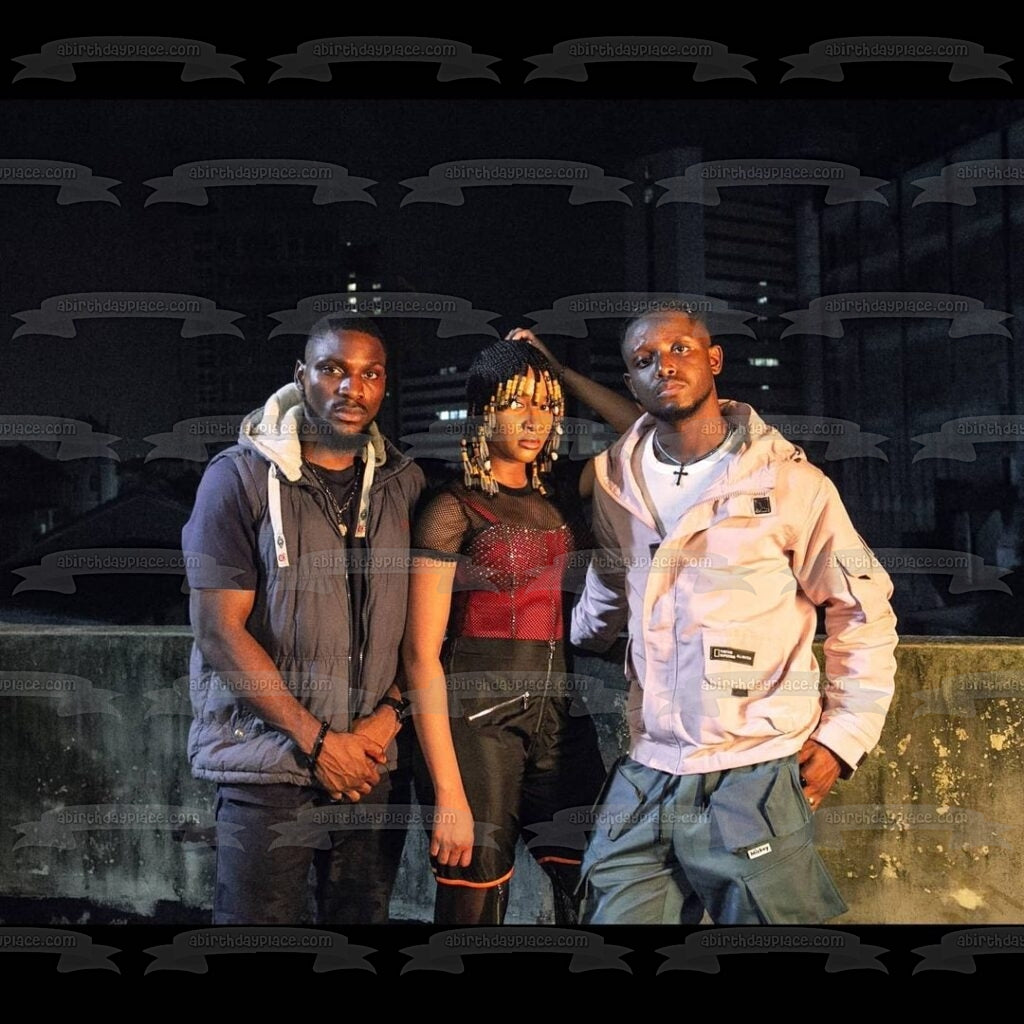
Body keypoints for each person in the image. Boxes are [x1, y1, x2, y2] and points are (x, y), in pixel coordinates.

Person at [570, 310, 898, 925]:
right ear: (631, 382)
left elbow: (862, 607)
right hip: (649, 765)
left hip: (754, 766)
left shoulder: (792, 483)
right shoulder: (615, 484)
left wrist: (843, 736)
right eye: (644, 360)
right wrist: (577, 633)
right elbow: (613, 580)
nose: (664, 365)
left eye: (680, 348)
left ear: (714, 360)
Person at [182, 317, 425, 924]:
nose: (352, 388)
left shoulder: (404, 484)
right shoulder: (237, 477)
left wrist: (385, 722)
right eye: (333, 369)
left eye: (370, 374)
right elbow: (218, 629)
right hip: (266, 766)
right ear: (301, 376)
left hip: (369, 766)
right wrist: (317, 742)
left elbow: (424, 628)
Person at [402, 329, 639, 925]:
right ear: (483, 410)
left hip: (560, 714)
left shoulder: (561, 493)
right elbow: (420, 656)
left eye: (546, 403)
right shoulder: (449, 508)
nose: (534, 420)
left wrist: (560, 371)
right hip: (476, 722)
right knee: (475, 894)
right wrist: (448, 793)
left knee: (598, 878)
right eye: (515, 403)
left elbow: (642, 429)